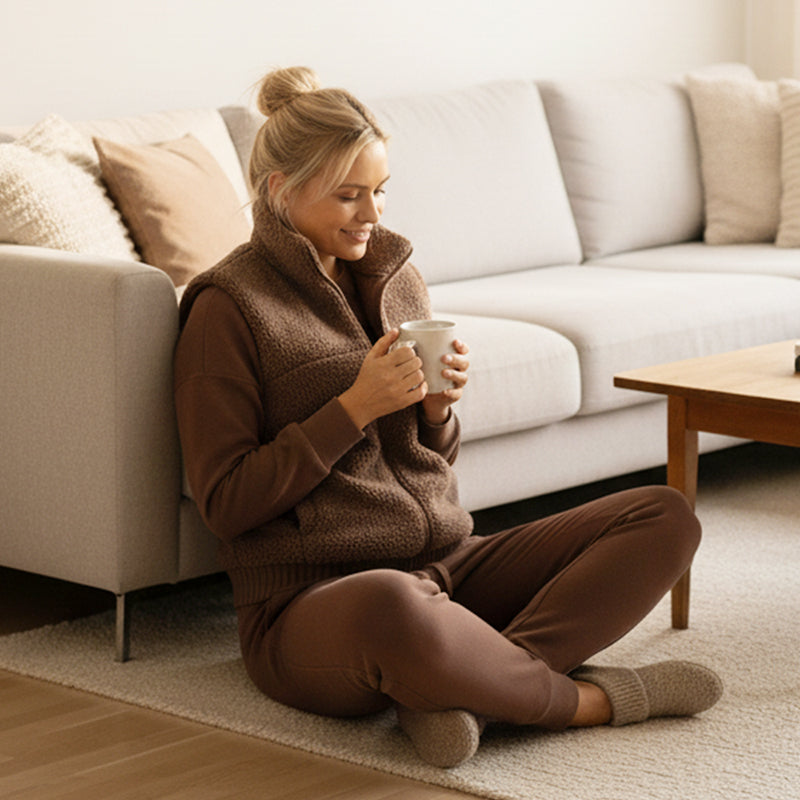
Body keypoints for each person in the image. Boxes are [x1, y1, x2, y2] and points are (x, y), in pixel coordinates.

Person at [173, 66, 722, 768]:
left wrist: (436, 414)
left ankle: (466, 694)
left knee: (664, 516)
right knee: (395, 604)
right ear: (280, 190)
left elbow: (425, 464)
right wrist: (353, 408)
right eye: (349, 195)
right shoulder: (228, 306)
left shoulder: (394, 274)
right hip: (314, 604)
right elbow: (226, 502)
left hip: (447, 564)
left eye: (378, 191)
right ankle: (589, 703)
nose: (372, 214)